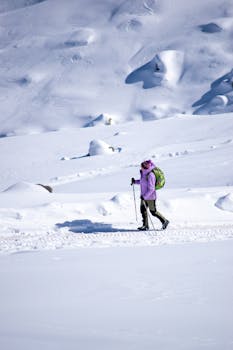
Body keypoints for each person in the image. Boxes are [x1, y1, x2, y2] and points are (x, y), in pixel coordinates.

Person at [131, 160, 169, 231]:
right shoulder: (144, 174)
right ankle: (145, 226)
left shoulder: (151, 175)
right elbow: (142, 182)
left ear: (144, 167)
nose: (140, 168)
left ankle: (165, 221)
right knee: (143, 210)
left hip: (150, 197)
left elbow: (151, 189)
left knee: (153, 212)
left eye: (141, 166)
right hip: (144, 196)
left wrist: (145, 196)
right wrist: (135, 181)